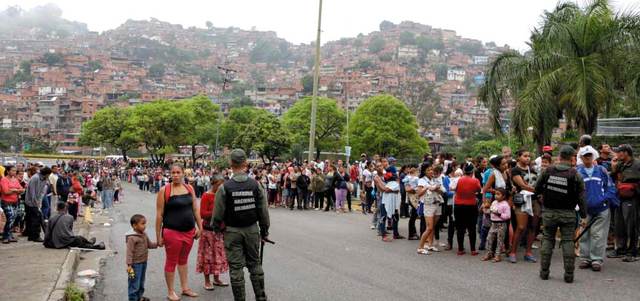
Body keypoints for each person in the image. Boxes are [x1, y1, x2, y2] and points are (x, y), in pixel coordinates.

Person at [212, 149, 270, 301]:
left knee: (236, 268)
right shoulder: (256, 185)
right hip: (251, 230)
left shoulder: (224, 188)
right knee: (255, 265)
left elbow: (217, 215)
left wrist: (217, 229)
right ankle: (261, 297)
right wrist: (264, 231)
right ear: (245, 163)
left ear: (231, 163)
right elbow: (263, 211)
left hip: (232, 232)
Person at [536, 146, 587, 283]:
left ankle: (544, 272)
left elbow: (537, 188)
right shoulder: (576, 175)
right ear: (572, 158)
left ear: (559, 156)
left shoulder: (548, 171)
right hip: (568, 213)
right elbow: (582, 198)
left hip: (549, 212)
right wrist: (583, 215)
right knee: (568, 241)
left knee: (547, 239)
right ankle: (569, 275)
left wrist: (542, 197)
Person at [156, 164, 203, 301]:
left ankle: (185, 288)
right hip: (172, 232)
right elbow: (159, 215)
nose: (175, 175)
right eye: (173, 173)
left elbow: (195, 209)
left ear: (183, 173)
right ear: (170, 174)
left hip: (189, 231)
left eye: (178, 172)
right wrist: (159, 236)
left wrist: (200, 227)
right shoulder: (164, 190)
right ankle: (171, 291)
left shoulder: (189, 188)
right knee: (171, 261)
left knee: (183, 260)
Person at [577, 150, 618, 271]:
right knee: (584, 234)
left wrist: (604, 199)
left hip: (602, 208)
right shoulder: (578, 172)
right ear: (581, 158)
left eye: (589, 155)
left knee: (598, 235)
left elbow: (610, 187)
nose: (588, 158)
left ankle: (596, 259)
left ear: (593, 156)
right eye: (585, 156)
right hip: (585, 210)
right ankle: (585, 258)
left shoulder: (601, 170)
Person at [608, 144, 640, 262]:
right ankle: (621, 249)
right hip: (619, 198)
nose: (617, 154)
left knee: (631, 225)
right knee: (619, 224)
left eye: (619, 152)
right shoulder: (620, 164)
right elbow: (612, 177)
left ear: (626, 153)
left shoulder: (637, 164)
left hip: (632, 199)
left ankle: (633, 251)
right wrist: (614, 167)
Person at [197, 174, 229, 290]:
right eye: (219, 185)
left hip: (220, 230)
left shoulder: (223, 195)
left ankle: (216, 278)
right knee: (207, 256)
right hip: (208, 231)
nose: (221, 188)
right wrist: (217, 212)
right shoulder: (206, 195)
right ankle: (207, 281)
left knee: (218, 256)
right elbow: (202, 214)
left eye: (222, 185)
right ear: (213, 184)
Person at [508, 150, 539, 263]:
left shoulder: (533, 170)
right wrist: (538, 190)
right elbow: (522, 185)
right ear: (519, 157)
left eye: (529, 156)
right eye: (525, 156)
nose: (527, 158)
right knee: (521, 227)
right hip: (522, 200)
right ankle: (512, 252)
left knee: (532, 227)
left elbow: (537, 182)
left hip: (534, 200)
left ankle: (528, 252)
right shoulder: (515, 170)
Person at [452, 164, 482, 256]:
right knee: (472, 227)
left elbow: (452, 188)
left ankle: (460, 249)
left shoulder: (457, 180)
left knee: (460, 228)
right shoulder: (475, 180)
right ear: (472, 172)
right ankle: (473, 249)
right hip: (471, 205)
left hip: (458, 205)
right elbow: (478, 190)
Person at [126, 214, 157, 301]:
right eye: (142, 224)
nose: (145, 226)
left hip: (143, 262)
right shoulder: (131, 238)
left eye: (145, 223)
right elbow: (129, 252)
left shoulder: (144, 234)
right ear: (134, 226)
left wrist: (158, 243)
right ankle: (133, 299)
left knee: (141, 282)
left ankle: (139, 297)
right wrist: (129, 265)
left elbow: (149, 245)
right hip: (135, 264)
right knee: (134, 283)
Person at [416, 165, 445, 254]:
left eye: (432, 169)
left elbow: (442, 192)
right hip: (428, 205)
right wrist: (427, 187)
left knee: (433, 227)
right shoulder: (422, 180)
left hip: (437, 203)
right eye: (429, 170)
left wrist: (437, 189)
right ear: (424, 171)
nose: (431, 171)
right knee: (429, 227)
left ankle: (430, 245)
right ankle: (420, 247)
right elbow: (419, 194)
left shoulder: (435, 179)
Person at [482, 188, 511, 262]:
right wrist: (486, 210)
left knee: (499, 240)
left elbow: (508, 216)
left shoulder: (505, 205)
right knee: (489, 239)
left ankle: (498, 255)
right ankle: (489, 253)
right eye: (495, 194)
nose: (496, 196)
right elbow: (491, 211)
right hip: (493, 224)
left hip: (501, 224)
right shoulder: (494, 202)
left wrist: (499, 214)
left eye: (498, 194)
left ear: (503, 196)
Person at [25, 167, 52, 242]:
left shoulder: (44, 179)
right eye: (49, 174)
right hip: (30, 202)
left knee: (35, 218)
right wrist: (35, 202)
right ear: (46, 174)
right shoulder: (35, 178)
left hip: (37, 201)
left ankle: (31, 236)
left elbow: (42, 192)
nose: (49, 176)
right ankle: (35, 236)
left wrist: (39, 202)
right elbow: (32, 191)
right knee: (35, 219)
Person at [1, 165, 25, 243]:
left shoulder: (15, 179)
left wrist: (14, 190)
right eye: (13, 170)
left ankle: (9, 235)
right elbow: (6, 192)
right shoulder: (4, 180)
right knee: (10, 218)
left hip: (15, 202)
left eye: (15, 171)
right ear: (8, 171)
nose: (14, 172)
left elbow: (22, 189)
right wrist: (16, 190)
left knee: (13, 219)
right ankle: (5, 236)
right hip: (7, 202)